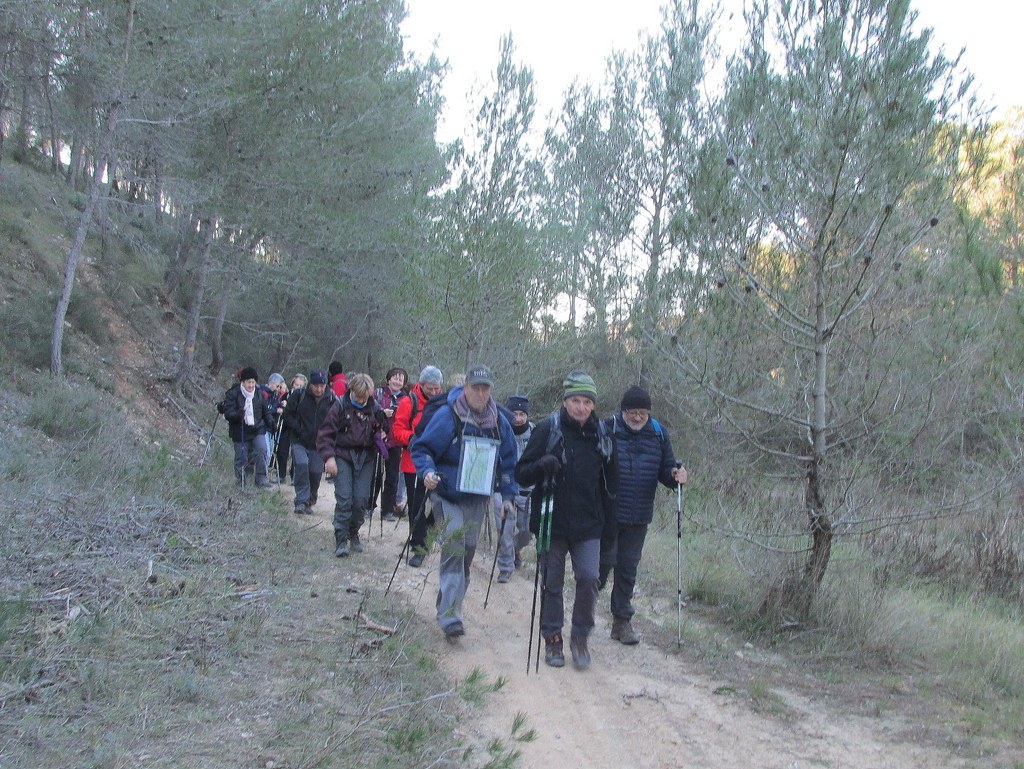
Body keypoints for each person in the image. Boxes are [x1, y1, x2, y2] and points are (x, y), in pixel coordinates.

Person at [516, 370, 618, 670]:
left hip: (590, 524)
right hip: (552, 522)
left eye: (587, 401)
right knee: (552, 581)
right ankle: (553, 638)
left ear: (594, 404)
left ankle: (580, 635)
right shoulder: (548, 429)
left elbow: (612, 486)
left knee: (589, 578)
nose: (582, 407)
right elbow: (521, 472)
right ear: (565, 400)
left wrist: (610, 529)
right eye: (576, 400)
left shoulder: (603, 434)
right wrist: (541, 466)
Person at [411, 364, 519, 640]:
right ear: (466, 387)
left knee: (468, 553)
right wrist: (427, 472)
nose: (480, 394)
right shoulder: (449, 415)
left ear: (490, 390)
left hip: (477, 496)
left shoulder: (499, 422)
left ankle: (450, 605)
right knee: (454, 546)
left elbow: (509, 462)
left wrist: (507, 496)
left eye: (485, 388)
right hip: (446, 493)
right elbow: (422, 447)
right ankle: (450, 616)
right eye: (475, 388)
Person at [601, 386, 688, 645]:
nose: (638, 417)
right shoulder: (607, 429)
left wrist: (677, 478)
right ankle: (583, 615)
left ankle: (621, 623)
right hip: (607, 514)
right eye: (632, 412)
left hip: (639, 515)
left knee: (627, 569)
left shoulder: (659, 434)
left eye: (643, 413)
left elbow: (666, 471)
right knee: (602, 565)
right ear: (623, 411)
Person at [316, 373, 388, 558]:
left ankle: (353, 532)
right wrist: (328, 458)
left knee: (361, 500)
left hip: (366, 458)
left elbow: (384, 430)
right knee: (345, 498)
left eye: (365, 397)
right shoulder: (339, 406)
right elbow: (325, 434)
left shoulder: (375, 408)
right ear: (352, 391)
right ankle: (341, 538)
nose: (362, 400)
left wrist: (383, 435)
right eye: (358, 396)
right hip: (342, 455)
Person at [390, 365, 444, 568]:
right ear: (421, 384)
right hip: (413, 463)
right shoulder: (408, 401)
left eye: (436, 388)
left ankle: (425, 534)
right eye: (430, 388)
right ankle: (418, 548)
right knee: (417, 507)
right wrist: (413, 439)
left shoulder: (443, 403)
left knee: (440, 505)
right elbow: (397, 430)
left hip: (438, 462)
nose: (433, 392)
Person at [492, 395, 534, 583]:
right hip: (503, 487)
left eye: (522, 414)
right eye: (514, 413)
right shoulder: (499, 430)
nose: (518, 418)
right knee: (504, 529)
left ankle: (515, 548)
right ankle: (505, 566)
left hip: (528, 489)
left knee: (527, 531)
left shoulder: (535, 433)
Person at [283, 369, 335, 515]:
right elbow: (287, 416)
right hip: (299, 440)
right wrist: (298, 428)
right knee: (301, 465)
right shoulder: (299, 395)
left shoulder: (331, 400)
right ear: (310, 384)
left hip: (319, 444)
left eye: (322, 386)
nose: (319, 389)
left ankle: (311, 498)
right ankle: (301, 500)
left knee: (315, 472)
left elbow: (337, 420)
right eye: (316, 385)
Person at [222, 366, 276, 489]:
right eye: (248, 382)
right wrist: (237, 415)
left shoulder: (259, 394)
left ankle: (261, 478)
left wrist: (271, 422)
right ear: (242, 382)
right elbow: (228, 413)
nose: (251, 385)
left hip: (257, 428)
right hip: (239, 429)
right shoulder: (233, 393)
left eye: (253, 382)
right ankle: (240, 481)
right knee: (241, 456)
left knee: (262, 449)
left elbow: (265, 412)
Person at [375, 367, 409, 522]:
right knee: (374, 475)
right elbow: (369, 411)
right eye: (394, 378)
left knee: (392, 477)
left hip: (395, 442)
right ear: (388, 379)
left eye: (400, 379)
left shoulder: (406, 399)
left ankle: (387, 509)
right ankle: (368, 505)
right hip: (377, 439)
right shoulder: (378, 393)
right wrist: (381, 412)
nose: (397, 381)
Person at [277, 373, 308, 483]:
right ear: (292, 384)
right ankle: (281, 475)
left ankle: (295, 476)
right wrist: (281, 408)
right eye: (296, 384)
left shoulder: (305, 398)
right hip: (285, 426)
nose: (297, 387)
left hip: (298, 428)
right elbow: (278, 406)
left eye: (300, 385)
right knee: (282, 450)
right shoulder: (286, 395)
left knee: (297, 453)